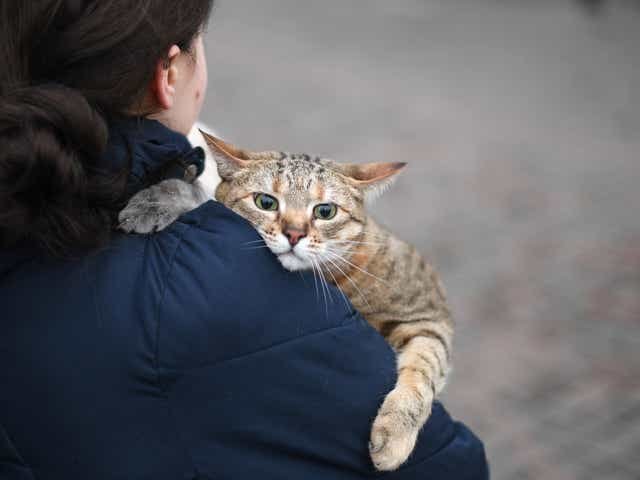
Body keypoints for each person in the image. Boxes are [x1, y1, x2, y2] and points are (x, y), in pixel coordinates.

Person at [0, 1, 489, 479]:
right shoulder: (239, 287)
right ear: (168, 74)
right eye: (200, 44)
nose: (296, 231)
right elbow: (453, 465)